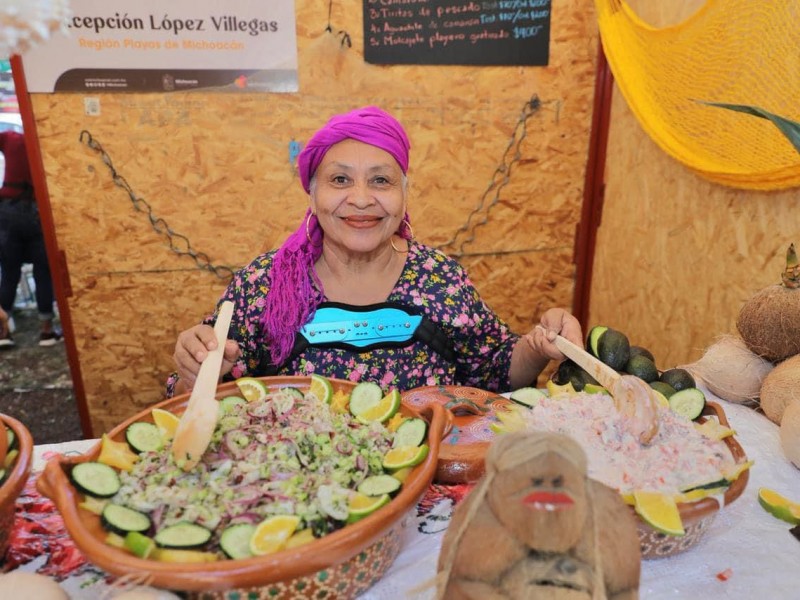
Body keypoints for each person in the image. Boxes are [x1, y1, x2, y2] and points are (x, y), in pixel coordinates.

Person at [169, 106, 582, 397]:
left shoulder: (439, 279)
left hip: (427, 482)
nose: (361, 199)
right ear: (312, 195)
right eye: (340, 180)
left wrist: (537, 345)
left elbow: (494, 371)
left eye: (381, 181)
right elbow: (202, 397)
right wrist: (195, 370)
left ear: (403, 194)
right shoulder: (264, 285)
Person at [0, 129, 61, 348]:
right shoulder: (46, 139)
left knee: (9, 272)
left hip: (9, 211)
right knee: (43, 272)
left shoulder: (10, 137)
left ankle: (2, 332)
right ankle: (46, 331)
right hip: (37, 212)